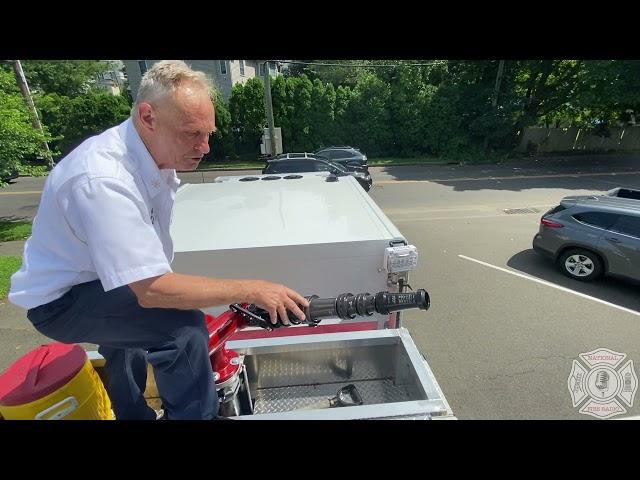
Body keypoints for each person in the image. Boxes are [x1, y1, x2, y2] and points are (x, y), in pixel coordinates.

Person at [8, 60, 309, 420]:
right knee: (182, 330)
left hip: (94, 281)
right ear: (148, 117)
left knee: (132, 336)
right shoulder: (103, 180)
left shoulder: (149, 156)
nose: (205, 147)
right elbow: (151, 289)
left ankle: (131, 413)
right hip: (60, 302)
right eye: (191, 134)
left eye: (208, 134)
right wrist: (253, 288)